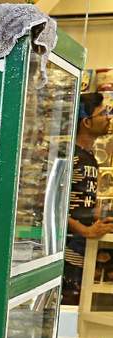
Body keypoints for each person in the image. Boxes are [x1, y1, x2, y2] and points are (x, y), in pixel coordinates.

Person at [64, 92, 112, 305]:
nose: (109, 117)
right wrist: (84, 230)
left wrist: (102, 217)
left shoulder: (89, 157)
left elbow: (82, 202)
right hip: (66, 252)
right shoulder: (70, 155)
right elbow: (51, 206)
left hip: (81, 249)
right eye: (104, 113)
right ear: (86, 121)